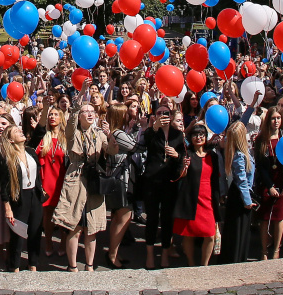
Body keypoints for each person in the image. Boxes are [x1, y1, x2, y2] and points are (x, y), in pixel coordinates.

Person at [52, 102, 118, 272]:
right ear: (79, 115)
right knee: (74, 226)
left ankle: (89, 266)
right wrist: (80, 95)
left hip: (94, 182)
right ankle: (72, 266)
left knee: (92, 228)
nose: (90, 114)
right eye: (85, 111)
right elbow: (71, 121)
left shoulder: (99, 134)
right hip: (76, 180)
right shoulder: (72, 133)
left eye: (92, 111)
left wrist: (110, 136)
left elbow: (110, 151)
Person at [172, 123, 224, 267]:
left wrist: (218, 196)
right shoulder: (187, 154)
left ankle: (204, 264)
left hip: (208, 198)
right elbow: (181, 176)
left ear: (206, 137)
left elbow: (216, 177)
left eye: (201, 135)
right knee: (189, 233)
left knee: (209, 234)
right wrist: (184, 167)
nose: (199, 137)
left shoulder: (212, 155)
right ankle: (190, 262)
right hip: (191, 197)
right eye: (195, 135)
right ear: (191, 138)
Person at [140, 102, 185, 269]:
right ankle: (150, 254)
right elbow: (146, 143)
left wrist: (176, 155)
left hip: (169, 181)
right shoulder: (152, 133)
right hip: (152, 181)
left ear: (171, 116)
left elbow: (183, 157)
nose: (163, 116)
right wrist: (154, 128)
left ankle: (165, 252)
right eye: (160, 113)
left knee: (167, 219)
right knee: (152, 218)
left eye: (166, 113)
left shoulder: (177, 134)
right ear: (155, 116)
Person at [0, 124, 45, 272]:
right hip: (19, 198)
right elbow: (4, 186)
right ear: (11, 140)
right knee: (18, 236)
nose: (21, 131)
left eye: (20, 129)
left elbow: (39, 132)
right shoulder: (8, 158)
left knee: (35, 233)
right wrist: (8, 208)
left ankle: (33, 265)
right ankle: (15, 267)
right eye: (17, 132)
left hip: (34, 196)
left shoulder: (31, 151)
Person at [101, 101, 138, 269]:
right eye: (125, 113)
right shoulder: (118, 133)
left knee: (119, 216)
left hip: (120, 178)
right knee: (123, 216)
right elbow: (135, 146)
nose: (128, 115)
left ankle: (114, 253)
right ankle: (112, 254)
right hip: (121, 179)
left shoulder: (116, 133)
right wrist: (139, 128)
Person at [253, 106, 283, 259]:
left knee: (279, 216)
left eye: (278, 118)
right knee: (265, 217)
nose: (276, 121)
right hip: (267, 182)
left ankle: (276, 250)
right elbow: (260, 166)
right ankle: (263, 251)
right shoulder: (261, 139)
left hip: (282, 182)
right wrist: (269, 186)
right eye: (273, 118)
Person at [219, 120, 256, 264]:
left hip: (238, 193)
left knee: (237, 229)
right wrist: (247, 201)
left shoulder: (236, 151)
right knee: (238, 230)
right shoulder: (240, 156)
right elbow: (242, 181)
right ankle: (236, 259)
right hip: (241, 195)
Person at [35, 106, 67, 260]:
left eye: (56, 114)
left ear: (61, 118)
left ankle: (63, 243)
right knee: (47, 214)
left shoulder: (66, 138)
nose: (52, 117)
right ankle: (48, 242)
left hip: (62, 179)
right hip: (46, 178)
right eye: (50, 115)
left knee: (62, 213)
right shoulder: (44, 137)